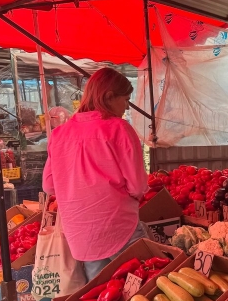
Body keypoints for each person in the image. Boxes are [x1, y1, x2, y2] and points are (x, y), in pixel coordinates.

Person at [42, 68, 149, 281]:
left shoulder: (59, 134)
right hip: (119, 227)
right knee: (143, 287)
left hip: (81, 234)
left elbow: (49, 186)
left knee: (100, 296)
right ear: (109, 97)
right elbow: (137, 186)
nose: (127, 106)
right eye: (126, 99)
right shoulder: (118, 128)